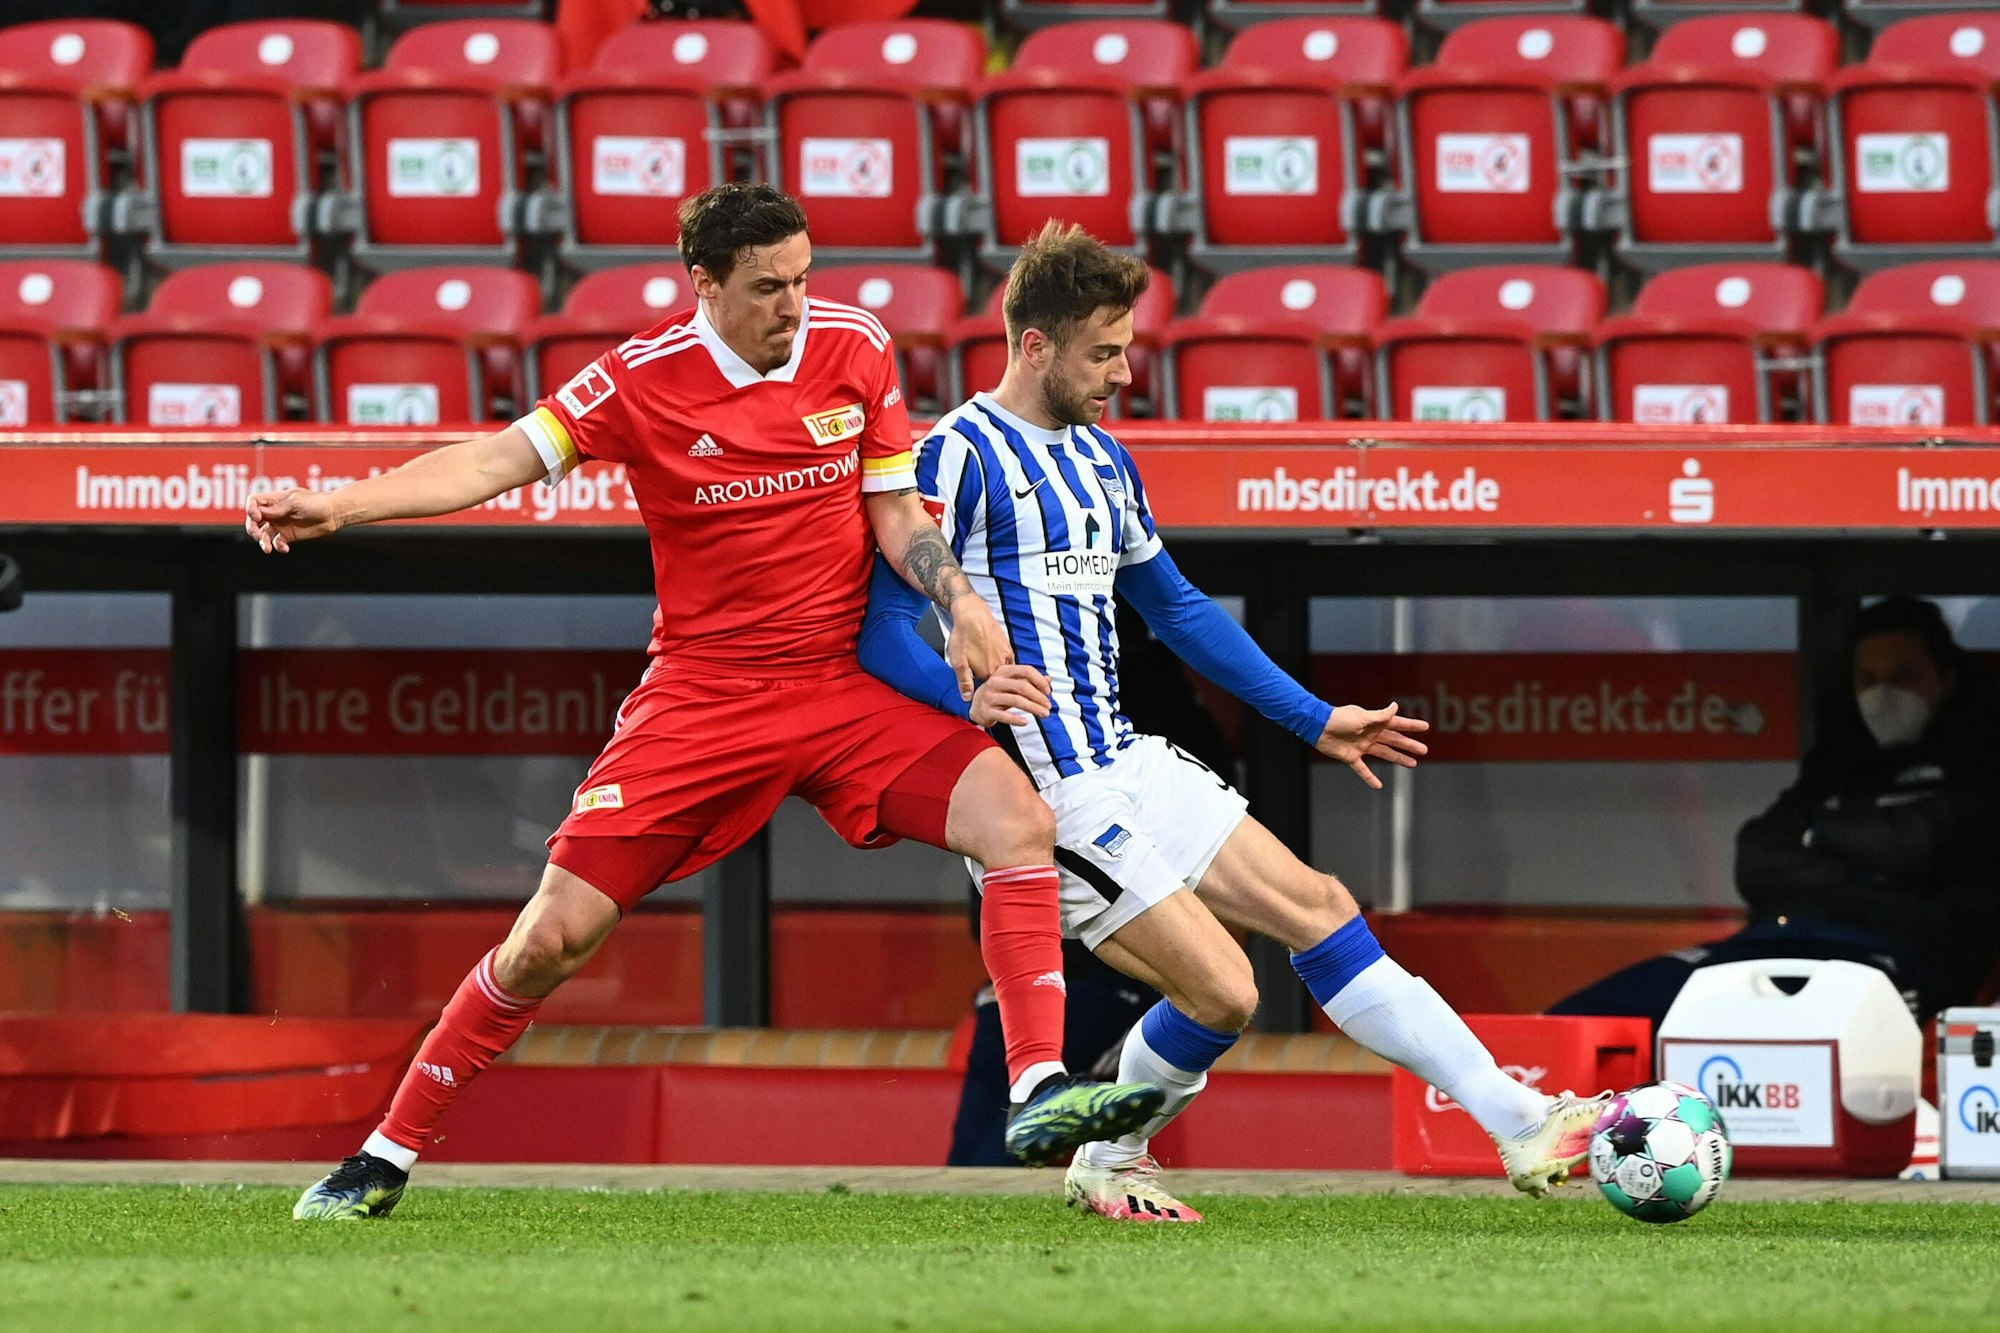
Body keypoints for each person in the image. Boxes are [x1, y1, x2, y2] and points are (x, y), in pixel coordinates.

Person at [254, 184, 1163, 1221]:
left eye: (804, 279)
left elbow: (893, 506)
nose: (794, 305)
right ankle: (384, 1150)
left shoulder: (853, 346)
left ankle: (1035, 1085)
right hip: (702, 699)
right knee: (550, 939)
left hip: (834, 689)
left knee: (1017, 822)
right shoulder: (639, 380)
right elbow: (489, 461)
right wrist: (341, 501)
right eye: (769, 287)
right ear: (704, 285)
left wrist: (955, 598)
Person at [860, 221, 1610, 1223]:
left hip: (1126, 755)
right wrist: (966, 695)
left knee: (1319, 907)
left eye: (1126, 347)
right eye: (1103, 352)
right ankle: (1108, 1151)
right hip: (1044, 792)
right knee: (1225, 993)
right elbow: (876, 630)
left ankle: (1516, 1120)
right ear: (1032, 344)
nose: (1122, 372)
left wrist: (1311, 719)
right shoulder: (955, 455)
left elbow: (1174, 609)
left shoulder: (1102, 461)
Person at [1551, 596, 2000, 1027]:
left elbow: (1921, 845)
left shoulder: (1976, 763)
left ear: (1945, 679)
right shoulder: (1836, 764)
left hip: (1885, 958)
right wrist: (1869, 869)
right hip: (1769, 945)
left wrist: (1816, 838)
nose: (1884, 694)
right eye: (1868, 678)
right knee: (1589, 1016)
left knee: (1768, 1034)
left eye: (1904, 677)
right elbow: (1757, 859)